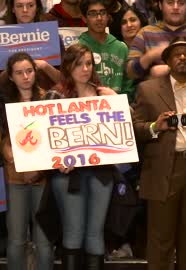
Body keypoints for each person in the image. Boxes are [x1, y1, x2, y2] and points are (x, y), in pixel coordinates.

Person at [133, 37, 186, 270]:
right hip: (164, 168)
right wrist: (155, 126)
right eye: (177, 54)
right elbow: (134, 128)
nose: (183, 58)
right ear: (167, 60)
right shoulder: (148, 89)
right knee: (161, 240)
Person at [47, 43, 119, 270]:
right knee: (73, 231)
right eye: (79, 64)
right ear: (68, 66)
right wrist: (58, 159)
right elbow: (43, 138)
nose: (85, 69)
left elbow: (120, 132)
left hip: (100, 172)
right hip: (68, 174)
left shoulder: (102, 93)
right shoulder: (55, 95)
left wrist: (115, 100)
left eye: (89, 63)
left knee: (95, 233)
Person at [0, 52, 54, 270]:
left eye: (29, 71)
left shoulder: (48, 99)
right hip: (14, 178)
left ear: (35, 71)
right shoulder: (3, 103)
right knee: (16, 239)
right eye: (19, 73)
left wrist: (38, 169)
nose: (25, 77)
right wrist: (8, 154)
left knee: (44, 241)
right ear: (10, 77)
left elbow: (54, 139)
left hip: (43, 179)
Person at [126, 0, 186, 82]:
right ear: (160, 5)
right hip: (154, 96)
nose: (176, 7)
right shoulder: (145, 33)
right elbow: (130, 72)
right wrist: (150, 56)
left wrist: (170, 70)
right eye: (170, 2)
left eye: (181, 3)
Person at [78, 0, 134, 102]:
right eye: (93, 14)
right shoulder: (78, 47)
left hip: (119, 107)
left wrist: (120, 101)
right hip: (88, 106)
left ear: (108, 16)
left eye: (103, 13)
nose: (99, 18)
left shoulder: (121, 47)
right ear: (84, 18)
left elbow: (128, 86)